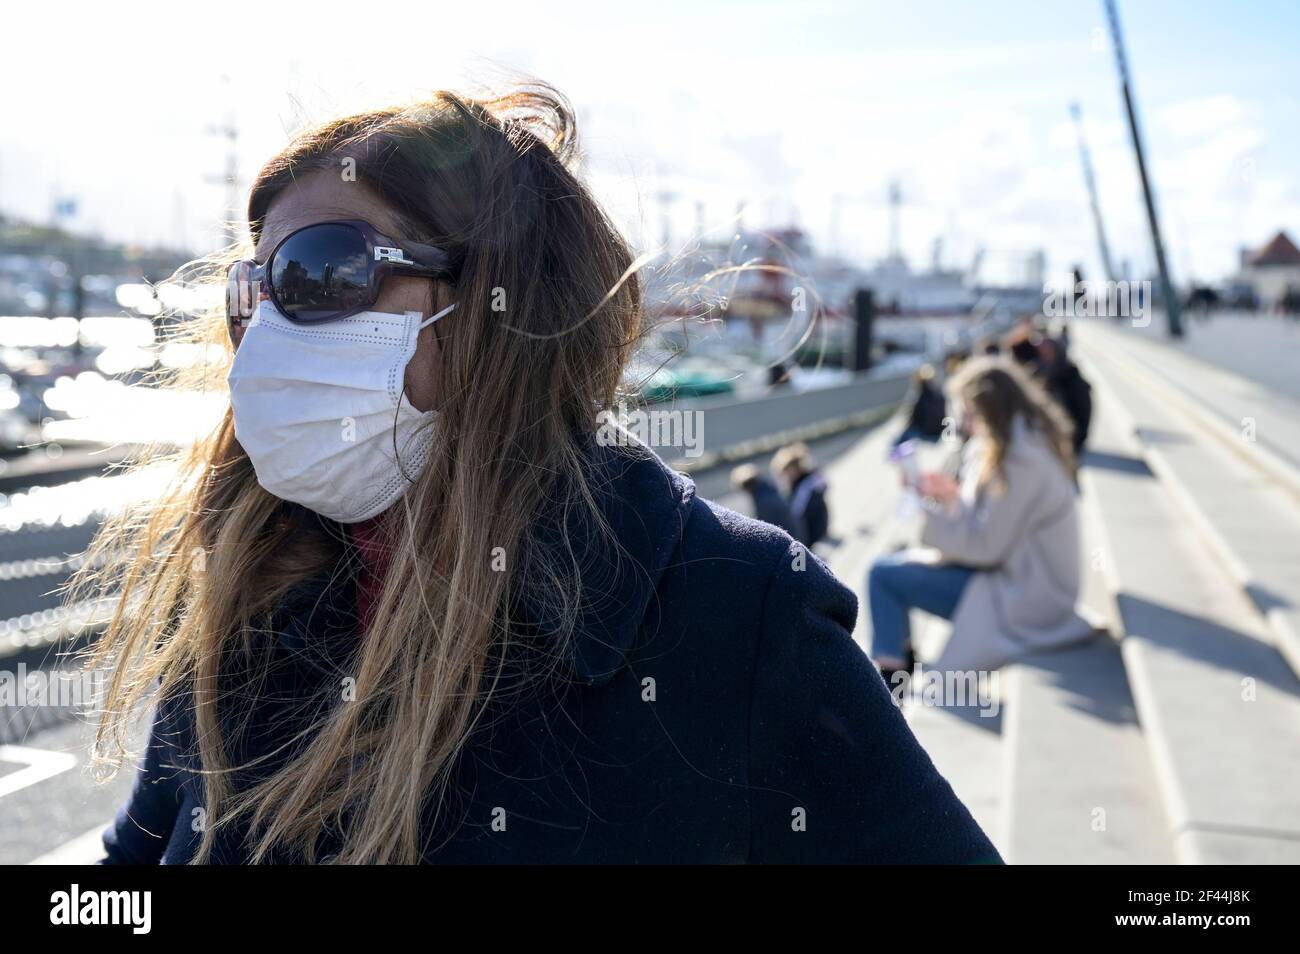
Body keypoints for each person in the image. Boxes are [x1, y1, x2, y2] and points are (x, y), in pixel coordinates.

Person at [79, 84, 997, 865]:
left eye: (325, 271)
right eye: (256, 291)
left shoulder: (735, 610)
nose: (272, 329)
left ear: (497, 304)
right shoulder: (250, 580)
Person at [867, 357, 1095, 685]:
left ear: (989, 409)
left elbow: (986, 547)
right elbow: (988, 526)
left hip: (1028, 595)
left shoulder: (1022, 459)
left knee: (883, 575)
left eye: (969, 412)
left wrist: (928, 511)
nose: (964, 422)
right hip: (1016, 576)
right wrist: (946, 497)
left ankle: (891, 680)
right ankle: (896, 670)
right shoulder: (1018, 442)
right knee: (888, 567)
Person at [1037, 335, 1092, 455]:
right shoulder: (1043, 372)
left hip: (1066, 443)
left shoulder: (1072, 380)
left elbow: (1081, 418)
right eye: (1042, 351)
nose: (1044, 355)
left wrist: (1072, 443)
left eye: (1047, 351)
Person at [772, 442, 830, 548]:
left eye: (786, 471)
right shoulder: (799, 486)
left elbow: (797, 515)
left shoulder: (807, 486)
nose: (785, 477)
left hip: (815, 537)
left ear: (794, 468)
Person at [731, 462, 805, 540]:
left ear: (747, 487)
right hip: (796, 538)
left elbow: (764, 531)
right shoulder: (769, 492)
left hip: (790, 541)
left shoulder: (764, 503)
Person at [893, 363, 947, 445]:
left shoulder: (919, 396)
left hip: (924, 433)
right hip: (938, 432)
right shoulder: (940, 394)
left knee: (897, 441)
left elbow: (912, 418)